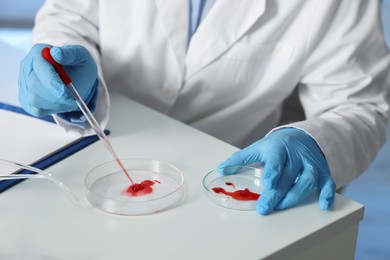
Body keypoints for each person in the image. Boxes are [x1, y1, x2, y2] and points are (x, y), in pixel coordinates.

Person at [18, 0, 390, 215]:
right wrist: (62, 59)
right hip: (97, 143)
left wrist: (313, 139)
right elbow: (70, 14)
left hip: (222, 179)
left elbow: (359, 104)